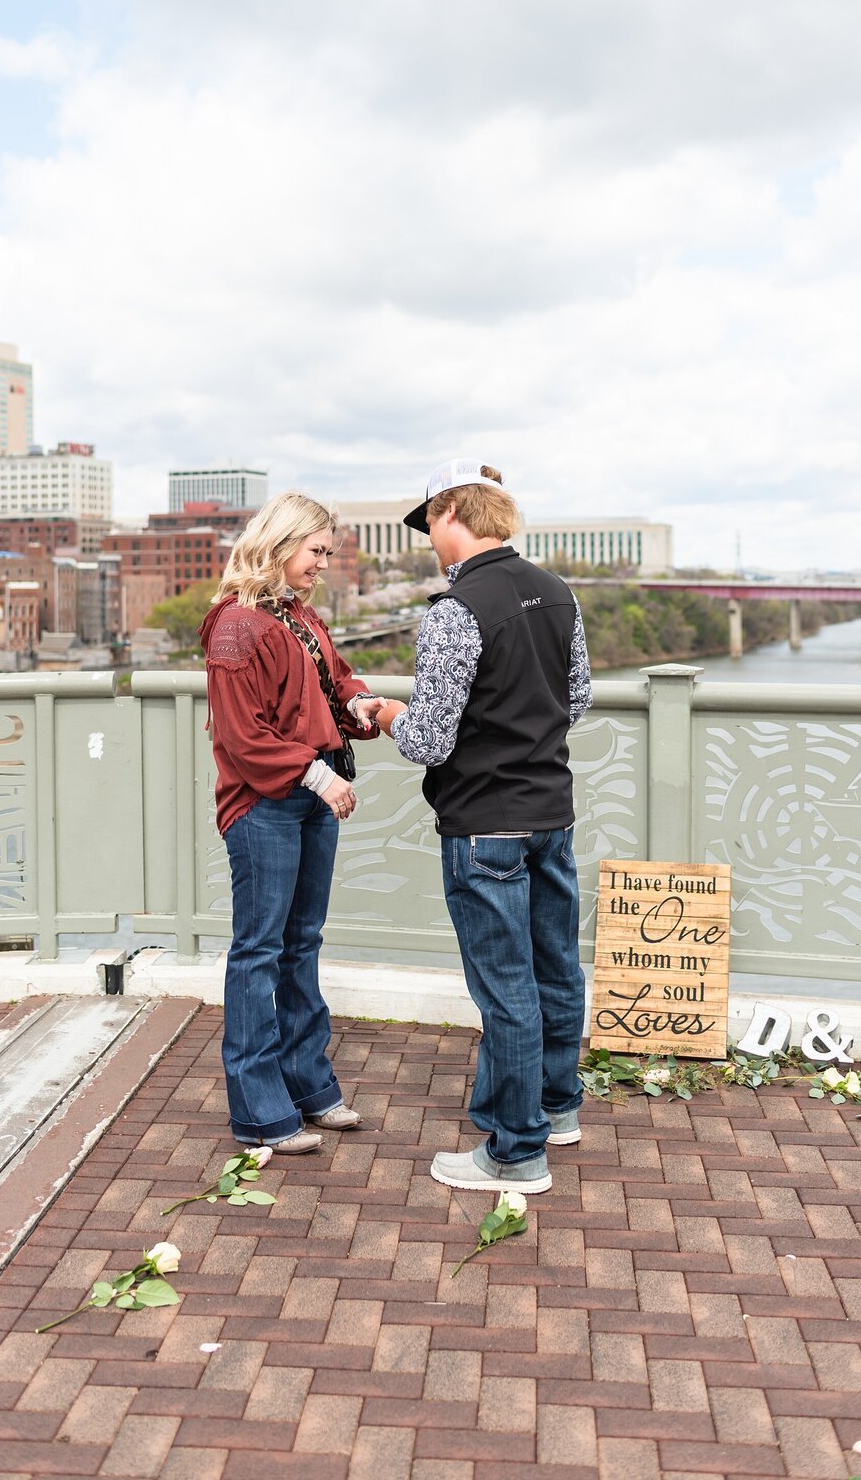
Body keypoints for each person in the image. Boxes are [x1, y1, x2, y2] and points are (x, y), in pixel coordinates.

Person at [372, 460, 592, 1194]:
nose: (429, 540)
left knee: (505, 988)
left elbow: (430, 741)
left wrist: (386, 714)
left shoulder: (453, 612)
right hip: (549, 812)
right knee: (555, 966)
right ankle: (557, 1107)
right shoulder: (558, 593)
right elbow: (577, 698)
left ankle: (517, 1151)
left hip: (482, 824)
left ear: (454, 512)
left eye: (430, 523)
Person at [199, 493, 381, 1153]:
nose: (322, 565)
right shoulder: (238, 626)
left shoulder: (296, 617)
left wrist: (359, 701)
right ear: (281, 543)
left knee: (300, 944)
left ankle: (308, 1088)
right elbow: (245, 738)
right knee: (261, 951)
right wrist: (316, 772)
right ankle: (258, 1110)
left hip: (309, 795)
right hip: (265, 805)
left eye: (327, 554)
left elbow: (333, 676)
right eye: (316, 552)